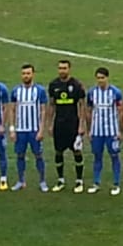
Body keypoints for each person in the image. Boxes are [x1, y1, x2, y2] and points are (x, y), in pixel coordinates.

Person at [46, 59, 88, 192]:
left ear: (69, 69)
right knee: (58, 151)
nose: (62, 71)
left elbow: (82, 105)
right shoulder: (53, 85)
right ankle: (60, 180)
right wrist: (50, 124)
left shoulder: (76, 85)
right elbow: (52, 105)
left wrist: (81, 125)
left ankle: (79, 181)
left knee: (77, 151)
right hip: (59, 124)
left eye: (64, 68)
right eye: (60, 68)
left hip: (73, 124)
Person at [85, 67, 123, 194]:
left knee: (114, 156)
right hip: (97, 131)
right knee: (97, 156)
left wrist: (119, 130)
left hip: (111, 131)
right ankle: (96, 183)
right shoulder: (91, 93)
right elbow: (89, 111)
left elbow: (121, 112)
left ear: (107, 78)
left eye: (103, 78)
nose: (100, 80)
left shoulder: (115, 92)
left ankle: (116, 184)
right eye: (98, 78)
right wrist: (89, 130)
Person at [11, 64, 49, 192]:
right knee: (20, 155)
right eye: (24, 73)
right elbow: (12, 110)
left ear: (33, 74)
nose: (26, 76)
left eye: (28, 73)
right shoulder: (16, 91)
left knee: (38, 155)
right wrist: (12, 129)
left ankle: (42, 181)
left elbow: (44, 110)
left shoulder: (40, 91)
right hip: (20, 130)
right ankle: (21, 181)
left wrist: (41, 129)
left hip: (34, 130)